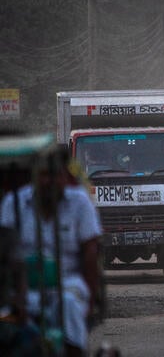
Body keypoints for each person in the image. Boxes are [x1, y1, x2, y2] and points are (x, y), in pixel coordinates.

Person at [0, 149, 102, 357]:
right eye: (45, 175)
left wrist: (92, 298)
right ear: (36, 177)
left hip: (67, 283)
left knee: (69, 305)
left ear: (65, 177)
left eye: (55, 175)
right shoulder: (14, 203)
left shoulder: (80, 203)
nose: (50, 182)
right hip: (23, 285)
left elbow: (91, 254)